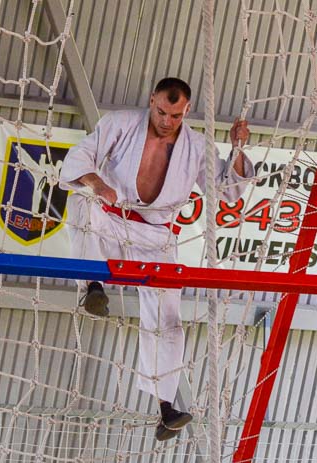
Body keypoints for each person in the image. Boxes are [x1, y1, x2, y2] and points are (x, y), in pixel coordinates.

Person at [59, 77, 253, 441]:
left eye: (176, 115)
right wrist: (99, 184)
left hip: (155, 237)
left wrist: (237, 149)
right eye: (162, 111)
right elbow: (79, 157)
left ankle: (166, 408)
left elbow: (227, 194)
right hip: (109, 219)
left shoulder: (197, 146)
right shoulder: (119, 123)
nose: (167, 120)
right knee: (81, 201)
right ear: (151, 100)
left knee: (168, 320)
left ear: (187, 111)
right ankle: (92, 287)